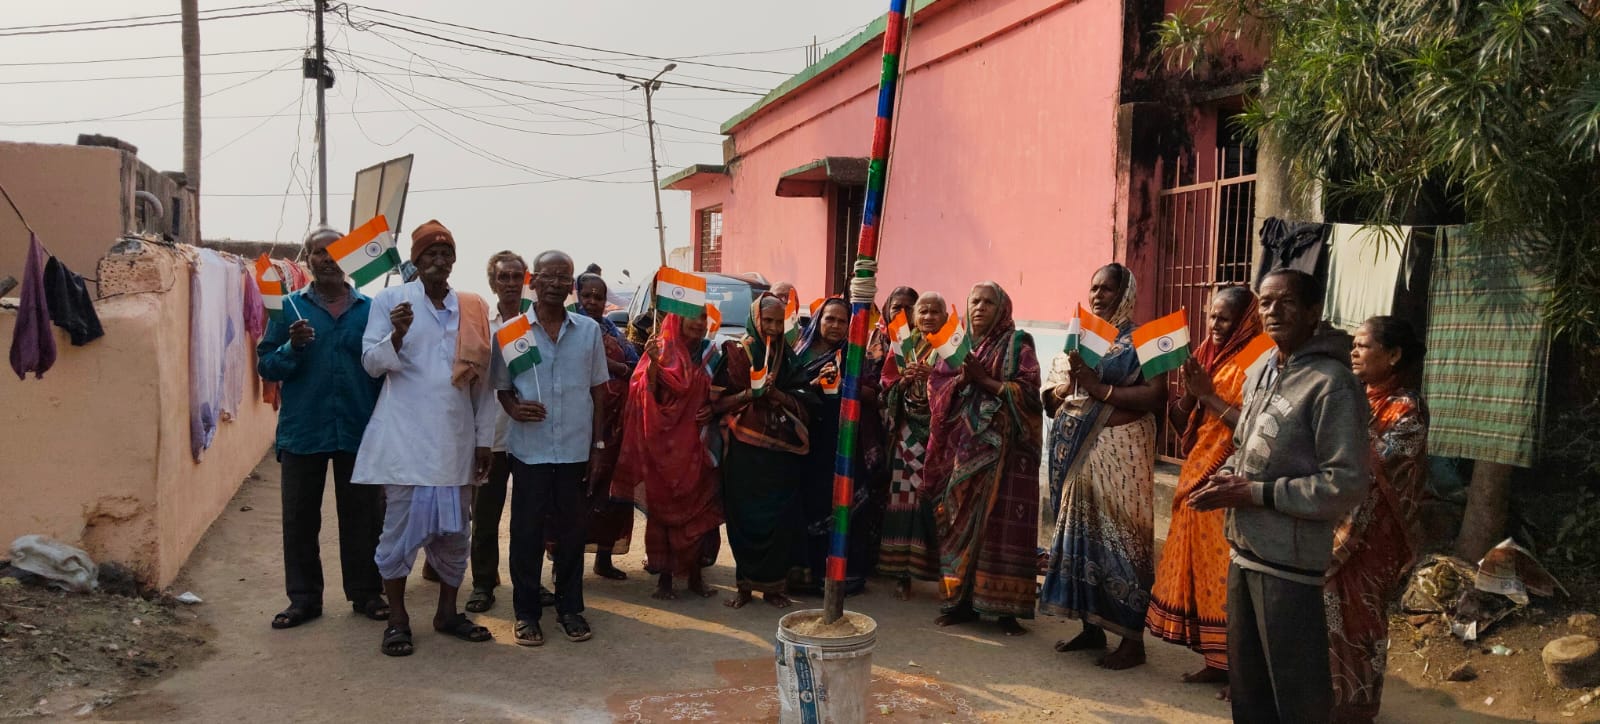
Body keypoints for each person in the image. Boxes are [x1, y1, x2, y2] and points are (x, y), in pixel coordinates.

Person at [1188, 268, 1370, 724]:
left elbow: (1345, 484)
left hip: (1290, 565)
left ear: (1312, 312)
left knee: (1296, 696)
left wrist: (1255, 492)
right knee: (1250, 692)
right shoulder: (1263, 369)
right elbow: (1245, 446)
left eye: (1286, 302)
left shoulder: (1332, 384)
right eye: (1266, 302)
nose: (1273, 311)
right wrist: (1225, 478)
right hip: (1244, 552)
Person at [355, 220, 497, 657]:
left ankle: (447, 613)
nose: (439, 261)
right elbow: (371, 364)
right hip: (406, 443)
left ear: (454, 260)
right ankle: (397, 620)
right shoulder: (390, 301)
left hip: (455, 441)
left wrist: (484, 439)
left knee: (455, 536)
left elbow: (483, 383)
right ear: (415, 261)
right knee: (398, 534)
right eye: (430, 254)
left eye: (445, 254)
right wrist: (396, 334)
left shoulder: (472, 307)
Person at [257, 226, 387, 630]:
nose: (328, 259)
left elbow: (384, 367)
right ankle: (303, 599)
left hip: (358, 428)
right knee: (299, 520)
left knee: (363, 518)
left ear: (349, 256)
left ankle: (367, 593)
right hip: (303, 429)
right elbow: (266, 366)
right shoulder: (288, 308)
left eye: (335, 252)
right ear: (308, 258)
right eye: (319, 252)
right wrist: (291, 346)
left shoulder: (371, 309)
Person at [1040, 263, 1169, 668]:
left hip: (1121, 453)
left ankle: (1132, 641)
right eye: (1094, 288)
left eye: (1107, 289)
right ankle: (1090, 626)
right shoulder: (1079, 338)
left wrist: (1099, 388)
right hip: (1075, 451)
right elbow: (1052, 396)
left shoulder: (1147, 339)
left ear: (1125, 293)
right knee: (1080, 537)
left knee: (1125, 539)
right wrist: (1067, 385)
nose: (1098, 295)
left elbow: (1156, 396)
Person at [1145, 287, 1262, 692]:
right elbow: (1184, 423)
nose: (1215, 324)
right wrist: (1189, 394)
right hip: (1197, 473)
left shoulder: (1259, 359)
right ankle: (1215, 661)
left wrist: (1208, 395)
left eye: (1224, 318)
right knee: (1204, 577)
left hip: (1228, 478)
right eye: (1212, 316)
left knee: (1227, 578)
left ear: (1244, 321)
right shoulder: (1208, 355)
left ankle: (1241, 670)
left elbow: (1253, 428)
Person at [495, 251, 612, 647]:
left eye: (565, 278)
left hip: (575, 450)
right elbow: (502, 388)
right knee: (526, 534)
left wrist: (598, 445)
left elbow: (599, 391)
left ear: (571, 285)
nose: (557, 284)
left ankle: (570, 608)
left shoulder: (588, 331)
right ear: (534, 280)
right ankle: (526, 613)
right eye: (549, 276)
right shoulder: (512, 332)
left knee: (572, 534)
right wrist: (514, 408)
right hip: (530, 451)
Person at [924, 281, 1042, 636]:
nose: (979, 307)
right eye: (974, 301)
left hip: (1007, 454)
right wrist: (962, 382)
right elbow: (936, 387)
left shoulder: (1019, 344)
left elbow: (1030, 394)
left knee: (1003, 527)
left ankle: (1006, 611)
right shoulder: (955, 344)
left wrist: (986, 381)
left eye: (988, 302)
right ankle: (960, 603)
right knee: (957, 520)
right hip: (962, 452)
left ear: (1002, 308)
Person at [1327, 316, 1429, 722]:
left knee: (1361, 619)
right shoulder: (1356, 397)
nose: (1353, 352)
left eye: (1363, 345)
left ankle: (1357, 707)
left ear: (1393, 355)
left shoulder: (1408, 410)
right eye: (1352, 344)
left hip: (1374, 536)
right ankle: (1327, 699)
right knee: (1328, 613)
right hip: (1337, 525)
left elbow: (1373, 467)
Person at [713, 293, 814, 609]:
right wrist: (750, 393)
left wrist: (778, 395)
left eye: (778, 322)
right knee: (743, 519)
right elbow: (716, 402)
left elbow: (808, 401)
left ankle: (774, 587)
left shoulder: (791, 358)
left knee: (779, 519)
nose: (772, 328)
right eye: (766, 320)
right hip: (744, 453)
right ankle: (743, 586)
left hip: (781, 454)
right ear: (755, 319)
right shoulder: (736, 354)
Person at [613, 311, 722, 600]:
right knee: (662, 513)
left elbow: (724, 394)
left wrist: (714, 409)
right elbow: (643, 394)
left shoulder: (712, 354)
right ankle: (664, 580)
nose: (699, 323)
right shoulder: (660, 350)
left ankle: (696, 577)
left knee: (700, 512)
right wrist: (653, 365)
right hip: (663, 446)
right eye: (692, 317)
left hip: (699, 444)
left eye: (703, 317)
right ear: (677, 320)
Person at [790, 297, 887, 596]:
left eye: (842, 321)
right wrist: (813, 385)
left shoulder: (854, 355)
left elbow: (875, 393)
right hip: (807, 440)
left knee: (845, 503)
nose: (834, 325)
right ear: (818, 320)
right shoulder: (799, 353)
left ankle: (845, 577)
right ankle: (806, 574)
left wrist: (848, 384)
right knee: (808, 503)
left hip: (844, 440)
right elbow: (787, 389)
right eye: (829, 319)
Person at [457, 251, 526, 615]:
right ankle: (483, 583)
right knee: (485, 516)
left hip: (530, 436)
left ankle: (527, 584)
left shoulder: (535, 322)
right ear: (493, 283)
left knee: (528, 519)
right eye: (504, 277)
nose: (511, 283)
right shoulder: (480, 323)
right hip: (491, 435)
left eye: (516, 276)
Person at [566, 271, 639, 581]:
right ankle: (564, 564)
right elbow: (579, 362)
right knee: (576, 494)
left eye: (599, 296)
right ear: (578, 296)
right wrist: (617, 367)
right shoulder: (569, 328)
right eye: (587, 296)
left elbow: (635, 363)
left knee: (611, 492)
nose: (593, 302)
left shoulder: (611, 329)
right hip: (582, 422)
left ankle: (604, 558)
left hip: (616, 423)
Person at [877, 291, 948, 599]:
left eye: (935, 311)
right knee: (903, 501)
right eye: (923, 312)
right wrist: (905, 380)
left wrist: (933, 377)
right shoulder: (903, 344)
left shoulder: (953, 346)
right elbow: (886, 387)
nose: (928, 317)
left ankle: (941, 574)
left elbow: (963, 385)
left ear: (945, 316)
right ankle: (901, 574)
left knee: (934, 504)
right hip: (906, 436)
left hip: (939, 439)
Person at [869, 286, 920, 363]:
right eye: (896, 308)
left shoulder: (923, 339)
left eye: (908, 308)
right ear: (887, 310)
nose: (902, 313)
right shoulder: (875, 337)